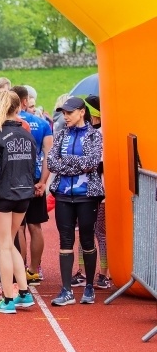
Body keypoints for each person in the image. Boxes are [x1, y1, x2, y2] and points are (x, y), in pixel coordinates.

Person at [0, 91, 37, 314]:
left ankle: (9, 300)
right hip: (23, 196)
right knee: (10, 243)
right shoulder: (27, 134)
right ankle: (23, 293)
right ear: (18, 108)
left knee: (3, 245)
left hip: (3, 196)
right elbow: (33, 168)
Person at [48, 97, 104, 306]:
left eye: (69, 113)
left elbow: (91, 163)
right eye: (63, 113)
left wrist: (67, 162)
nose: (65, 116)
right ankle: (66, 290)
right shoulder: (61, 134)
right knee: (65, 240)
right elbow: (52, 162)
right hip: (63, 194)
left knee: (87, 239)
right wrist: (74, 165)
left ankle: (89, 287)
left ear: (81, 112)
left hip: (86, 195)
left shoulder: (93, 136)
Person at [11, 86, 53, 286]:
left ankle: (19, 269)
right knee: (35, 226)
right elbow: (48, 155)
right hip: (35, 180)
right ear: (25, 101)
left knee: (18, 227)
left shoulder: (7, 123)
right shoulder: (42, 124)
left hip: (14, 181)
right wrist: (43, 182)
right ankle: (34, 271)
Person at [73, 95, 111, 289]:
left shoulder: (102, 133)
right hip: (84, 191)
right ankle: (81, 272)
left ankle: (104, 274)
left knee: (100, 232)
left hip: (101, 192)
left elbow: (100, 164)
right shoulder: (85, 131)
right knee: (84, 231)